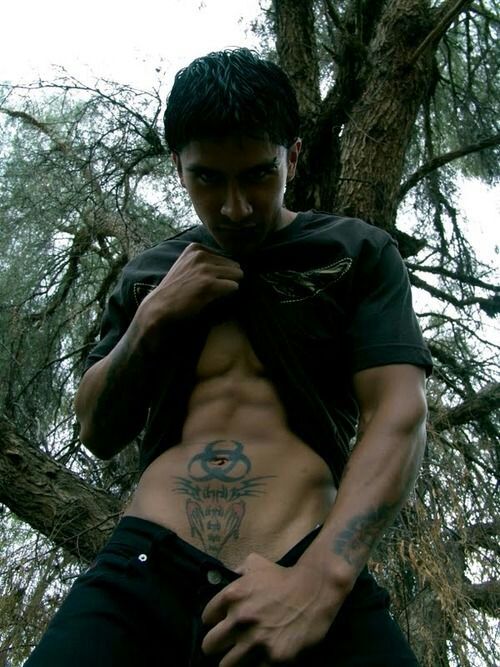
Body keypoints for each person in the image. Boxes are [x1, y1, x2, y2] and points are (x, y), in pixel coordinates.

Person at [26, 48, 432, 666]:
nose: (235, 207)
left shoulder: (356, 253)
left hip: (305, 567)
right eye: (208, 179)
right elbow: (96, 431)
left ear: (292, 157)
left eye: (258, 175)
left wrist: (320, 583)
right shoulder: (151, 275)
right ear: (178, 167)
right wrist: (152, 320)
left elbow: (399, 414)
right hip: (141, 574)